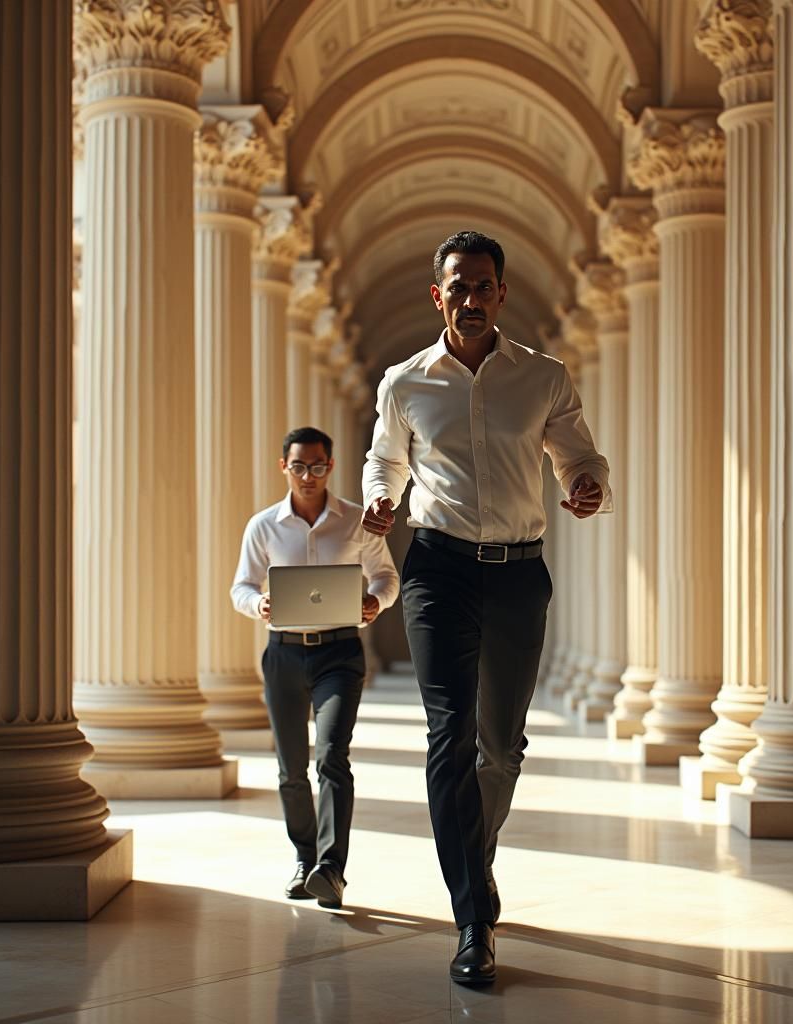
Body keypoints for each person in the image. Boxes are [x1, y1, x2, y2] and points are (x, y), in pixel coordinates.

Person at [361, 230, 610, 984]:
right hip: (438, 568)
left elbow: (579, 453)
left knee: (500, 748)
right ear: (438, 295)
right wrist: (380, 497)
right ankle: (474, 918)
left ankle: (475, 857)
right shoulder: (404, 382)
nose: (470, 300)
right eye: (456, 288)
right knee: (449, 733)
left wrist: (586, 484)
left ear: (502, 293)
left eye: (482, 287)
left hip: (516, 574)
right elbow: (385, 457)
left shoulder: (544, 377)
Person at [231, 426, 399, 909]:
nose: (309, 475)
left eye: (319, 466)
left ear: (331, 466)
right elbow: (239, 586)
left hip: (340, 654)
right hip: (283, 653)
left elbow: (387, 575)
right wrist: (257, 603)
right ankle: (305, 860)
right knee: (290, 768)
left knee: (332, 757)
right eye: (300, 466)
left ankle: (332, 869)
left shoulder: (355, 521)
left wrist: (376, 601)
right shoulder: (263, 526)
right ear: (284, 467)